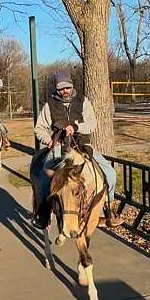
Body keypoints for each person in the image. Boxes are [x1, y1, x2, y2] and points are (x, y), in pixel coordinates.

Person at [31, 71, 122, 228]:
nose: (65, 91)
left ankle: (108, 209)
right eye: (61, 88)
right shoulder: (49, 105)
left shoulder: (83, 102)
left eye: (67, 87)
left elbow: (92, 123)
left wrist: (76, 126)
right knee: (45, 177)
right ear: (57, 89)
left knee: (110, 173)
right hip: (59, 147)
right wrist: (49, 141)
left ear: (72, 86)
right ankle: (43, 212)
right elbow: (39, 128)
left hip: (82, 146)